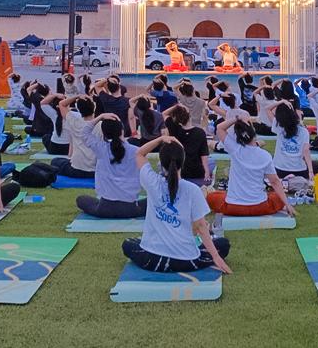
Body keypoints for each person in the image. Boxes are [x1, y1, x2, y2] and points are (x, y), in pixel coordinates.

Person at [121, 135, 231, 274]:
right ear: (182, 161)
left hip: (152, 260)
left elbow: (139, 153)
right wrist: (216, 256)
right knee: (223, 244)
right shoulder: (193, 190)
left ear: (161, 162)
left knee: (128, 244)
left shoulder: (152, 181)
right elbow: (201, 228)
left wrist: (161, 139)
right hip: (185, 261)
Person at [207, 111, 294, 217]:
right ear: (253, 132)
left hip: (233, 207)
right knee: (277, 198)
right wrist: (287, 204)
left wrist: (237, 117)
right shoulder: (265, 155)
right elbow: (275, 182)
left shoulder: (235, 149)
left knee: (212, 197)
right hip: (260, 206)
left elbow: (220, 128)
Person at [76, 114, 147, 219]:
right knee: (153, 200)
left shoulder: (101, 148)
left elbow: (84, 133)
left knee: (81, 199)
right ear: (122, 130)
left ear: (104, 134)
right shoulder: (137, 151)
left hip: (105, 208)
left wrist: (100, 117)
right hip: (130, 209)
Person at [265, 101, 318, 179]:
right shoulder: (304, 131)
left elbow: (267, 109)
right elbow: (306, 151)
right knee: (317, 165)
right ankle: (292, 177)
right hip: (299, 171)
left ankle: (287, 177)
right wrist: (310, 171)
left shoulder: (278, 126)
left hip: (279, 170)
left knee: (271, 157)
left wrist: (281, 101)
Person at [164, 104, 210, 187]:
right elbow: (204, 155)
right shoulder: (200, 132)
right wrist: (206, 171)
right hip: (196, 171)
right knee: (211, 161)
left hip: (179, 169)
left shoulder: (174, 129)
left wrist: (177, 106)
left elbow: (164, 114)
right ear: (189, 117)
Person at [52, 96, 98, 179]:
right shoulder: (101, 125)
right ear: (94, 107)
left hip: (76, 169)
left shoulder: (74, 121)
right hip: (95, 171)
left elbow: (61, 104)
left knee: (55, 161)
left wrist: (77, 96)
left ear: (79, 110)